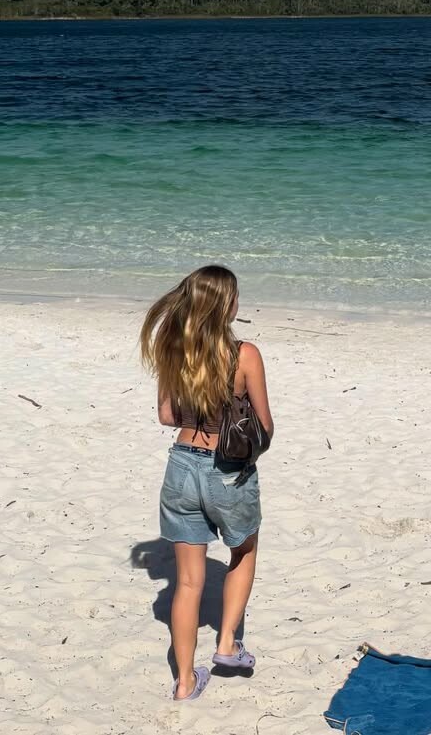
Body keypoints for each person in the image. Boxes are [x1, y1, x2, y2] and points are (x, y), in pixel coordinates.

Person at [140, 265, 273, 702]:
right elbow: (265, 427)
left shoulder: (173, 351)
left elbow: (166, 416)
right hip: (227, 469)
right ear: (224, 306)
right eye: (234, 297)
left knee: (187, 583)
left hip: (181, 466)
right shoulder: (245, 354)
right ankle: (227, 644)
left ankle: (184, 682)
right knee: (244, 550)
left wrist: (196, 411)